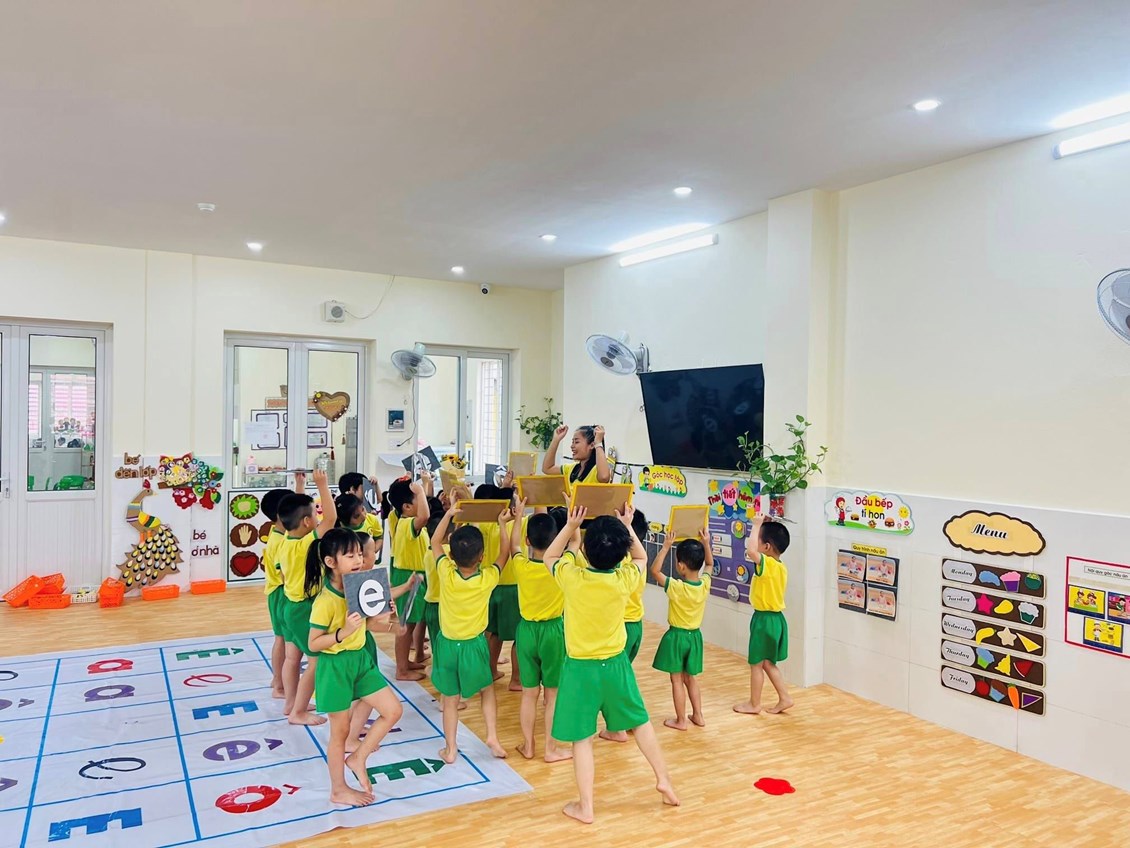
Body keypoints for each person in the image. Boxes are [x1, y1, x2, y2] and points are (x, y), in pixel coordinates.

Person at [544, 505, 679, 824]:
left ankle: (586, 807)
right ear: (620, 555)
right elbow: (641, 557)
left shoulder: (573, 577)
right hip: (616, 665)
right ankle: (664, 780)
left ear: (585, 552)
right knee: (640, 722)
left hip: (580, 669)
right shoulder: (624, 578)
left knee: (582, 739)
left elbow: (550, 556)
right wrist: (628, 525)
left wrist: (571, 525)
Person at [307, 528, 407, 808]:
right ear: (331, 562)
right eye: (350, 556)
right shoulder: (325, 601)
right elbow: (313, 643)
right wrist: (343, 632)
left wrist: (391, 624)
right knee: (339, 733)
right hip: (335, 667)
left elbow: (369, 624)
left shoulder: (359, 587)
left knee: (393, 710)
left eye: (360, 554)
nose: (359, 560)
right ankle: (338, 789)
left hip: (360, 661)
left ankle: (358, 757)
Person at [430, 503, 512, 763]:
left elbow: (434, 541)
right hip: (474, 646)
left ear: (451, 556)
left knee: (450, 699)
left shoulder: (446, 573)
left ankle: (451, 749)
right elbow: (505, 554)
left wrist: (449, 514)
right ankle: (492, 737)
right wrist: (502, 524)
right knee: (486, 690)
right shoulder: (487, 578)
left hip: (447, 645)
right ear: (481, 556)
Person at [509, 504, 571, 762]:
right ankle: (550, 749)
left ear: (528, 541)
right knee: (552, 694)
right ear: (556, 540)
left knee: (529, 693)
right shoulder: (561, 566)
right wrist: (571, 515)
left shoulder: (521, 565)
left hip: (526, 631)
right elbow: (575, 542)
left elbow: (513, 545)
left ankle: (528, 746)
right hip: (554, 631)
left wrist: (518, 516)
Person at [277, 469, 337, 726]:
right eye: (314, 514)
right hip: (304, 610)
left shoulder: (285, 539)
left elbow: (298, 513)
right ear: (306, 522)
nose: (318, 517)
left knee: (293, 658)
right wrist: (322, 484)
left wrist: (300, 487)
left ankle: (291, 702)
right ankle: (298, 711)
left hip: (289, 606)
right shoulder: (305, 545)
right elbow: (331, 518)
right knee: (317, 661)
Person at [650, 530, 712, 730]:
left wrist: (666, 546)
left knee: (676, 679)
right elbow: (710, 565)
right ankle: (698, 715)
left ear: (681, 566)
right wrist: (706, 543)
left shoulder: (676, 587)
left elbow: (655, 571)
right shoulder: (704, 585)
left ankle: (681, 720)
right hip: (695, 637)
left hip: (677, 637)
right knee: (690, 678)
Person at [733, 515, 793, 715]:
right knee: (767, 662)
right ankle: (785, 698)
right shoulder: (781, 566)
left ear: (766, 547)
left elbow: (751, 551)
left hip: (765, 620)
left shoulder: (768, 565)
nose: (754, 542)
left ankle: (754, 704)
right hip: (775, 619)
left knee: (756, 664)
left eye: (757, 539)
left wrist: (757, 524)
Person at [600, 507, 649, 744]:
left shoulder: (622, 562)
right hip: (636, 625)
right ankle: (626, 722)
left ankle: (618, 728)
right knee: (623, 676)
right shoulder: (638, 562)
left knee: (616, 681)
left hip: (623, 627)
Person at [261, 475, 303, 699]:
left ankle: (277, 679)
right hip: (281, 593)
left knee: (283, 639)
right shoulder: (279, 541)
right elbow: (287, 575)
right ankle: (279, 685)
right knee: (283, 640)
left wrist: (300, 486)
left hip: (278, 592)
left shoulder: (280, 532)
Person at [477, 481, 522, 689]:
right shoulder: (518, 524)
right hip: (512, 587)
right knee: (519, 636)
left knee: (493, 632)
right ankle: (516, 679)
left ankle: (490, 671)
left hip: (491, 585)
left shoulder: (485, 525)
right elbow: (540, 513)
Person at [387, 479, 431, 680]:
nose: (422, 502)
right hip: (408, 577)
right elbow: (425, 515)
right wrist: (420, 491)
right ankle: (401, 670)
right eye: (418, 500)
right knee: (405, 625)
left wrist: (422, 489)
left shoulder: (402, 519)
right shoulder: (406, 523)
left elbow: (423, 510)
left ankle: (405, 662)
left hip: (415, 575)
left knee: (411, 622)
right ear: (406, 507)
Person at [541, 424, 611, 496]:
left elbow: (604, 477)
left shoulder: (597, 470)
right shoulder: (571, 468)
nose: (572, 446)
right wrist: (556, 439)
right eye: (572, 442)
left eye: (576, 442)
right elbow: (547, 468)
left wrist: (598, 443)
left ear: (592, 445)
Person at [339, 472, 385, 560]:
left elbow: (378, 499)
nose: (367, 490)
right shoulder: (343, 508)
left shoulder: (366, 504)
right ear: (353, 489)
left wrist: (376, 485)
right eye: (364, 487)